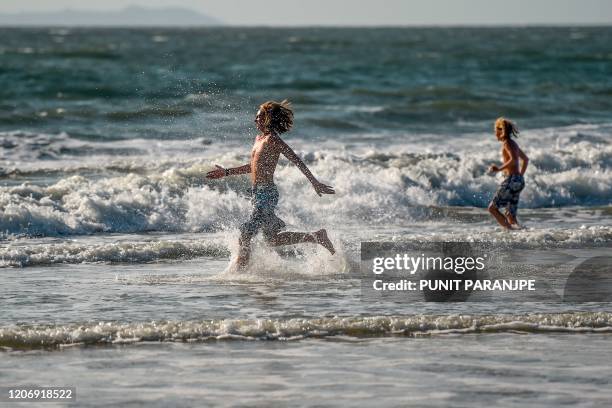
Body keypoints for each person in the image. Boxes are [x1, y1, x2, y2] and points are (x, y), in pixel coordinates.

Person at [206, 100, 335, 269]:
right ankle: (317, 237)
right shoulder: (258, 139)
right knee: (271, 240)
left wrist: (315, 182)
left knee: (245, 233)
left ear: (267, 118)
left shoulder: (273, 140)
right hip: (257, 193)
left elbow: (297, 160)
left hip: (267, 194)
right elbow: (253, 167)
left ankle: (239, 274)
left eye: (258, 117)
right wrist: (227, 172)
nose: (255, 120)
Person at [488, 117, 529, 230]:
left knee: (492, 208)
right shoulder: (514, 144)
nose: (495, 133)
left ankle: (510, 232)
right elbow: (525, 159)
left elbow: (514, 160)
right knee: (510, 215)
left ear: (500, 130)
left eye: (495, 130)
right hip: (518, 181)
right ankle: (521, 234)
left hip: (512, 180)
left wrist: (499, 169)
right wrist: (520, 176)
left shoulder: (507, 143)